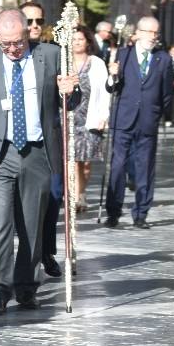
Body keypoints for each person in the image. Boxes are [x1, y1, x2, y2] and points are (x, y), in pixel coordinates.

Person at [0, 9, 80, 314]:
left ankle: (27, 287)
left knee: (31, 223)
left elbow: (71, 102)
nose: (13, 49)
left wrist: (72, 90)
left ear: (27, 33)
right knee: (0, 222)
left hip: (37, 152)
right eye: (7, 44)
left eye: (19, 42)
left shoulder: (51, 55)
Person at [104, 16, 174, 229]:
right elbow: (111, 88)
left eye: (156, 33)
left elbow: (167, 94)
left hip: (147, 121)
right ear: (138, 32)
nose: (153, 37)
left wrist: (159, 115)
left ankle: (141, 214)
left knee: (145, 169)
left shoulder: (163, 59)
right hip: (123, 119)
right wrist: (111, 75)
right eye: (149, 32)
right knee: (117, 167)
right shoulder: (123, 56)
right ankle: (113, 212)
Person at [69, 25, 109, 211]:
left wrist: (104, 116)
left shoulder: (97, 63)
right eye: (74, 39)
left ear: (88, 42)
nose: (77, 42)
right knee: (73, 159)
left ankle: (81, 193)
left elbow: (105, 92)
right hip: (70, 116)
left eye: (80, 39)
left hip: (91, 117)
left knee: (85, 162)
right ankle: (76, 197)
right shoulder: (65, 61)